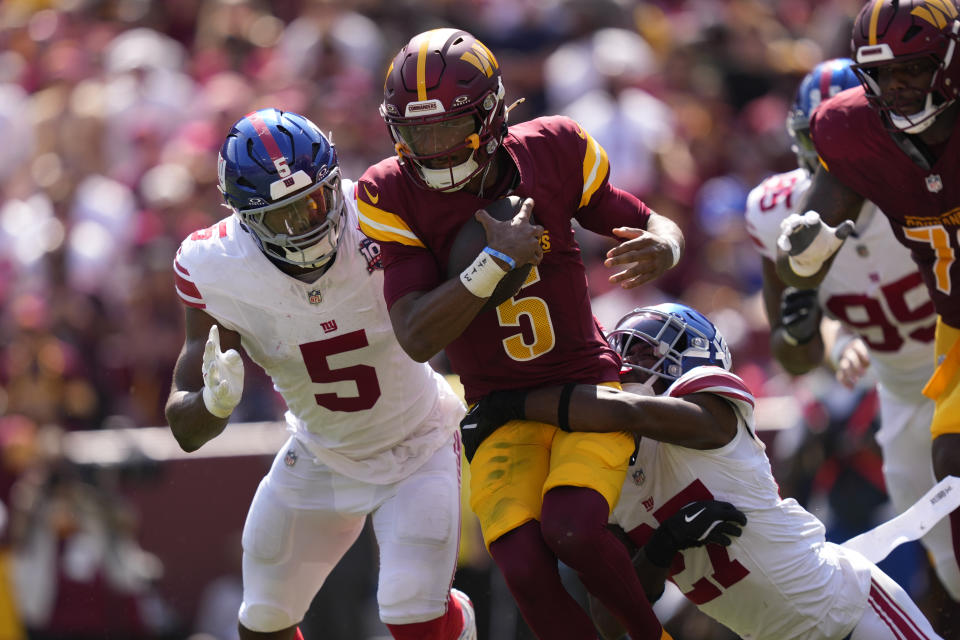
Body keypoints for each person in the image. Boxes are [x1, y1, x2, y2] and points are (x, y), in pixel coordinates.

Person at [356, 27, 684, 640]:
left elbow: (644, 218)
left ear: (490, 116)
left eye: (448, 129)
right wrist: (495, 265)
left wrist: (667, 242)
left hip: (586, 386)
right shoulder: (388, 190)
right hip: (498, 407)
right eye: (417, 131)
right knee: (523, 565)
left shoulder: (553, 148)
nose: (432, 148)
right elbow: (417, 335)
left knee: (574, 529)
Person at [164, 108, 475, 640]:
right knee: (262, 621)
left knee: (411, 613)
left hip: (417, 443)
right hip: (321, 453)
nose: (305, 225)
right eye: (282, 216)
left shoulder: (379, 209)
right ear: (244, 217)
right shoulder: (212, 265)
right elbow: (184, 427)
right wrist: (214, 405)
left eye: (312, 202)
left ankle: (458, 622)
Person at [461, 302, 945, 640]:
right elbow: (612, 620)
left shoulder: (709, 412)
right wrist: (662, 546)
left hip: (850, 609)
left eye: (648, 351)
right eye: (624, 348)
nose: (629, 362)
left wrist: (512, 404)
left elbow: (630, 412)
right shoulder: (605, 466)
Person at [745, 57, 960, 604]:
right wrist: (803, 333)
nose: (828, 164)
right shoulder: (778, 217)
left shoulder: (918, 188)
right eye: (814, 146)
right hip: (899, 392)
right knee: (944, 559)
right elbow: (795, 357)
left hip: (951, 358)